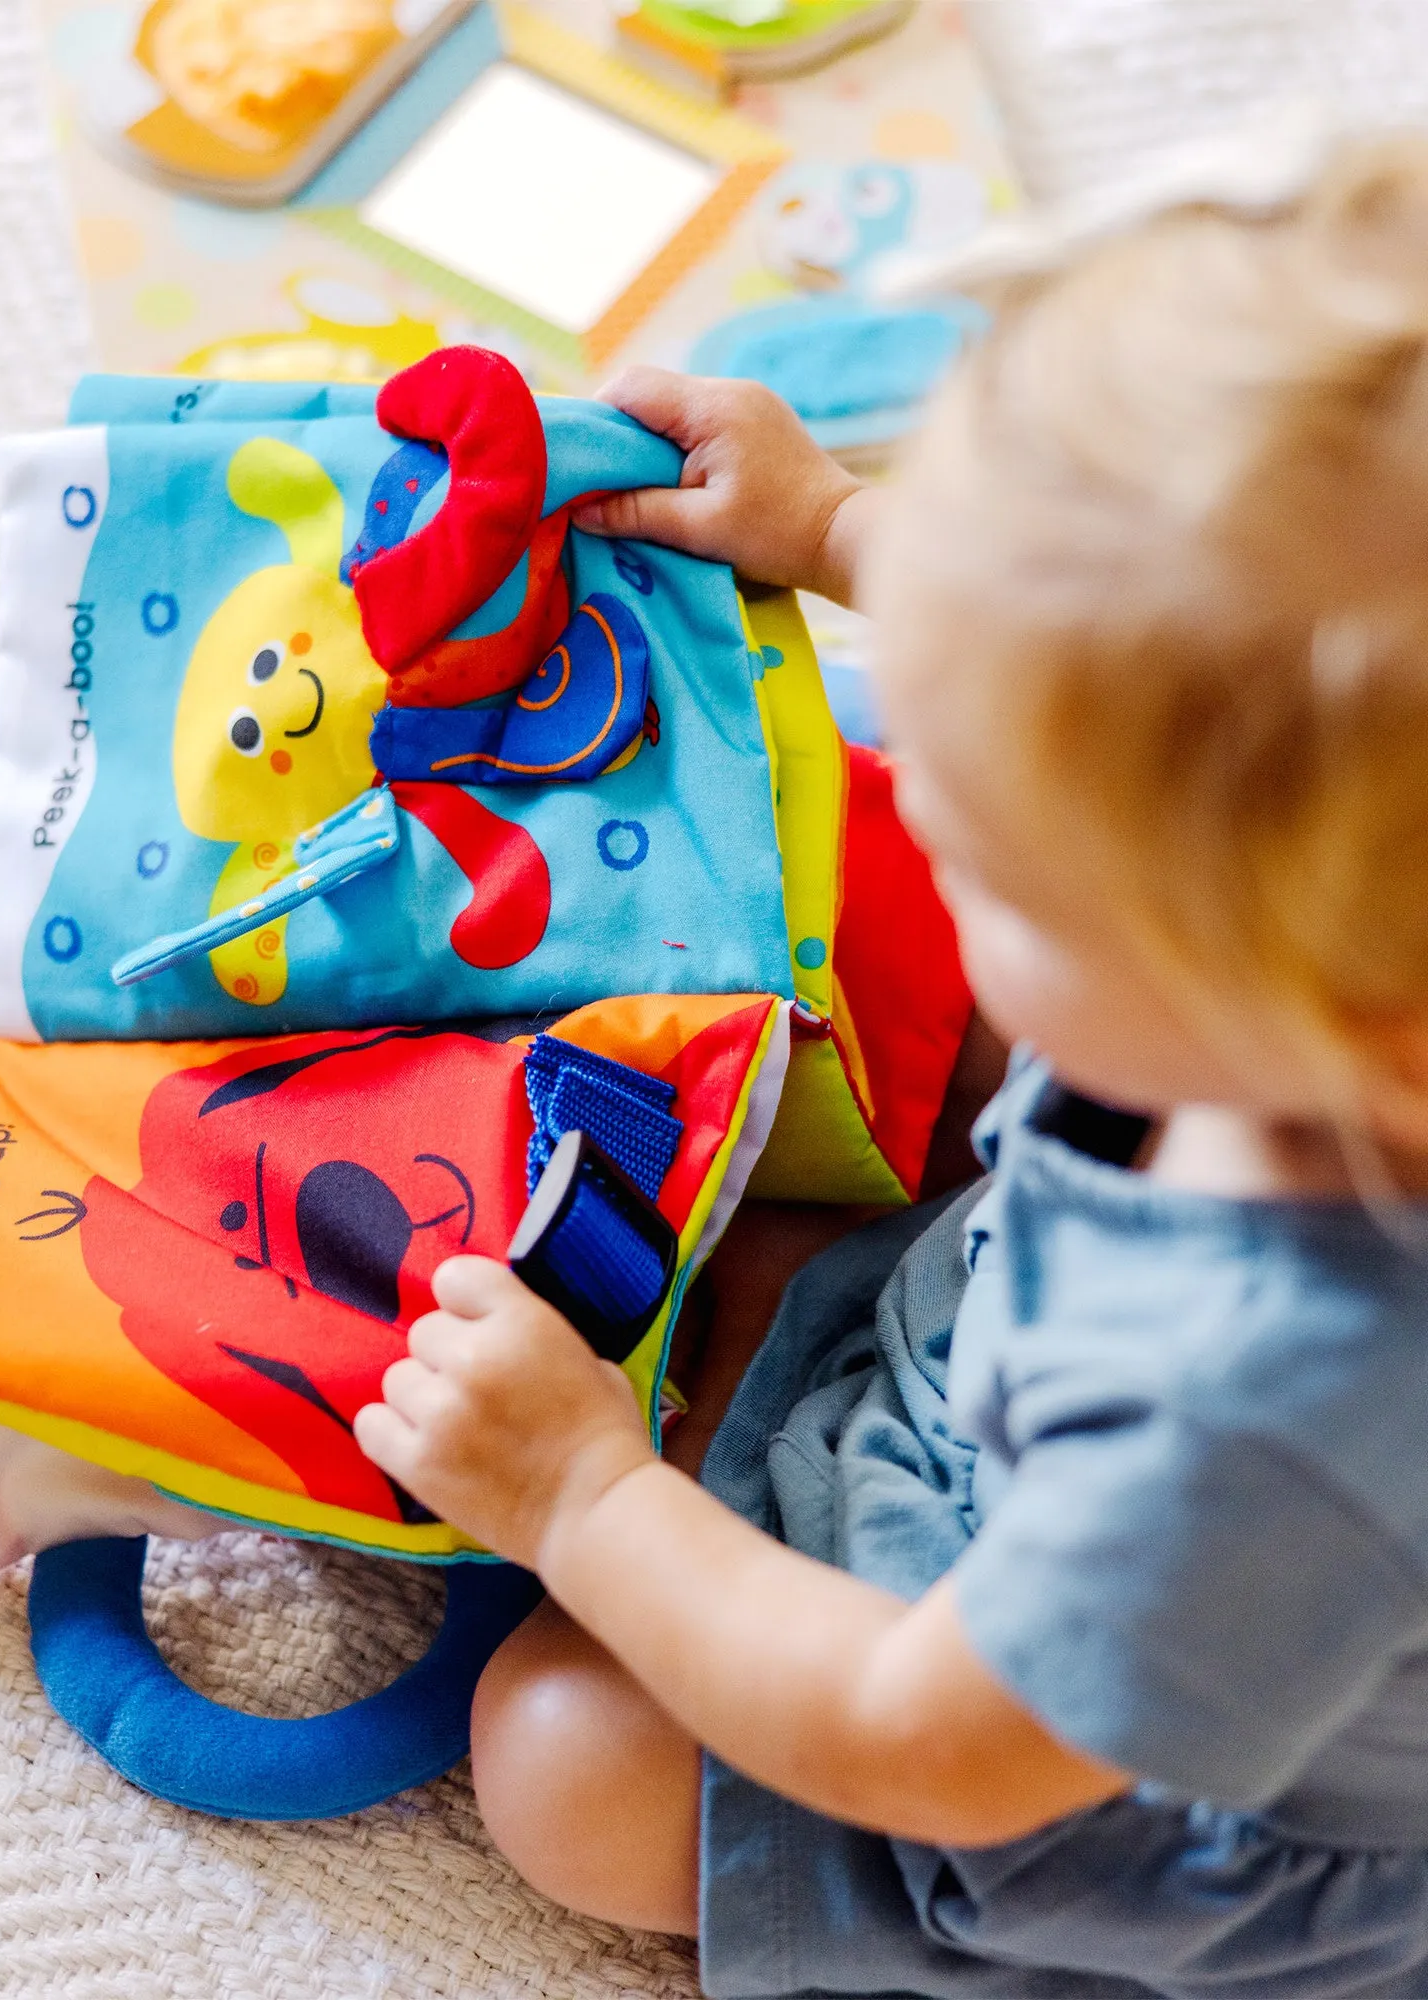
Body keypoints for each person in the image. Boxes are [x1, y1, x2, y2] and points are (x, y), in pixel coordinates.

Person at [353, 134, 1428, 1998]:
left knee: (558, 1764)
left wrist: (588, 1506)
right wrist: (846, 527)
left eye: (1007, 866)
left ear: (1319, 1024)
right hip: (1024, 1377)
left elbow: (928, 1741)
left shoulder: (1261, 1416)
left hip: (1038, 1753)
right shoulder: (1336, 999)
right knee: (743, 1208)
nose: (919, 800)